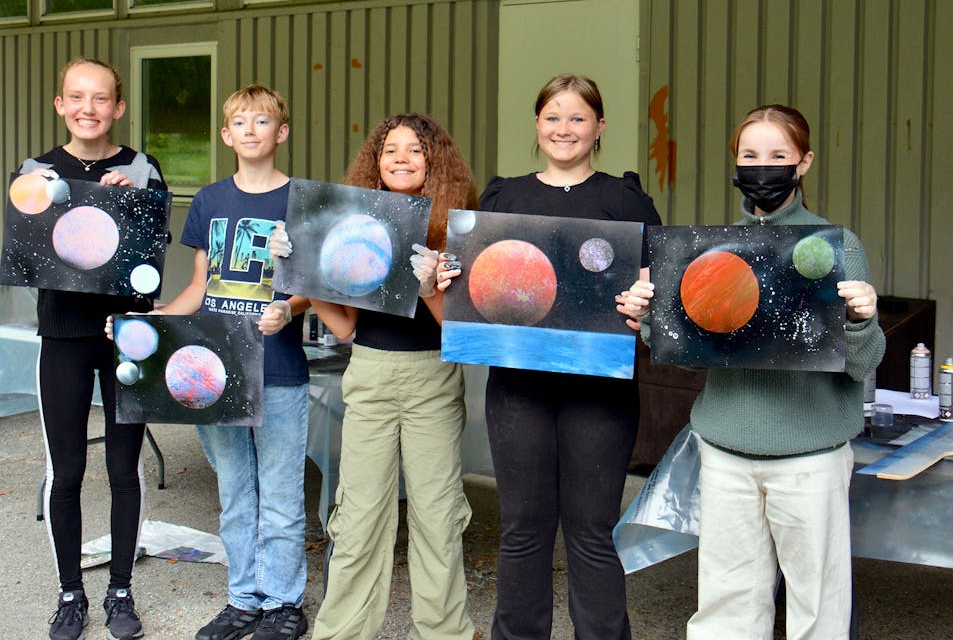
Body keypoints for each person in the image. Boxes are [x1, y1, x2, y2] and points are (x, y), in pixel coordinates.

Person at [618, 104, 886, 640]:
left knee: (819, 612)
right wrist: (648, 321)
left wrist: (861, 321)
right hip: (725, 454)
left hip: (809, 459)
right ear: (736, 162)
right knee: (726, 608)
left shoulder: (836, 247)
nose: (763, 166)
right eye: (750, 155)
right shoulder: (709, 253)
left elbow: (862, 362)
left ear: (804, 162)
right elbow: (689, 347)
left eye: (778, 155)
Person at [444, 75, 661, 640]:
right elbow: (473, 286)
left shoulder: (625, 199)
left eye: (578, 118)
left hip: (602, 391)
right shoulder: (502, 198)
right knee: (522, 528)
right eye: (552, 117)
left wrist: (646, 301)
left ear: (600, 128)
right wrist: (448, 279)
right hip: (519, 390)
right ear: (537, 126)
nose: (564, 129)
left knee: (592, 530)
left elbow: (657, 286)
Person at [278, 113, 479, 640]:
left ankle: (443, 631)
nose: (402, 159)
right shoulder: (357, 230)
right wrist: (303, 271)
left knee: (437, 515)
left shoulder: (455, 227)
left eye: (415, 150)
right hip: (368, 371)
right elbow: (344, 329)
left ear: (434, 162)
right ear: (376, 160)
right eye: (391, 150)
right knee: (359, 515)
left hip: (432, 377)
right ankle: (342, 631)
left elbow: (460, 334)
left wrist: (433, 285)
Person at [144, 85, 311, 640]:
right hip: (217, 372)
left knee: (282, 496)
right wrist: (157, 319)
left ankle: (284, 603)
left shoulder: (301, 201)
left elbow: (314, 285)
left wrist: (289, 308)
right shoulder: (211, 202)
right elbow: (198, 285)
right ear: (225, 134)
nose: (250, 130)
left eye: (262, 121)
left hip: (280, 370)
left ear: (281, 132)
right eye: (239, 122)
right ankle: (244, 598)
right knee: (236, 493)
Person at [21, 57, 167, 640]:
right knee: (68, 470)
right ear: (60, 105)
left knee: (122, 467)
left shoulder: (141, 168)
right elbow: (30, 255)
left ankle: (121, 592)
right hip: (63, 335)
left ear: (119, 107)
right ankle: (70, 594)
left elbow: (151, 260)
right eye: (76, 97)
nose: (88, 108)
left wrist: (129, 204)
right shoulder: (34, 172)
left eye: (101, 98)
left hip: (127, 334)